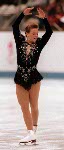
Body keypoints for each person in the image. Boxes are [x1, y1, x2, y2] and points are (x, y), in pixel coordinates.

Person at [12, 7, 53, 145]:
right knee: (24, 107)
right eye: (34, 33)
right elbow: (15, 25)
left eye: (37, 33)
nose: (36, 35)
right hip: (20, 77)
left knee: (33, 105)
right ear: (27, 34)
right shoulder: (20, 41)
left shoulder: (40, 43)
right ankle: (30, 133)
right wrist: (22, 15)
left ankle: (33, 131)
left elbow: (50, 32)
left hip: (34, 78)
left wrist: (44, 18)